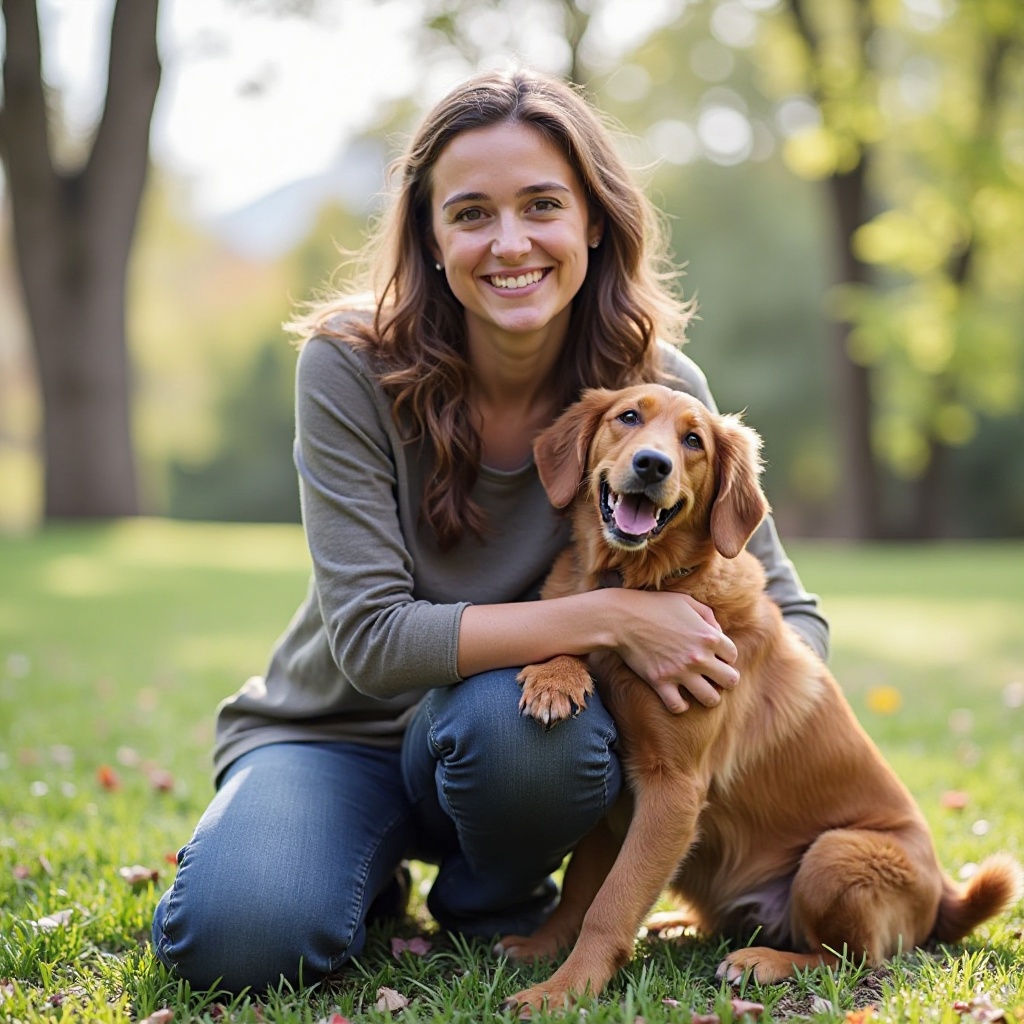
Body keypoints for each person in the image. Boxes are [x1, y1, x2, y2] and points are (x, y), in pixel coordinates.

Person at [151, 67, 828, 994]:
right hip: (336, 735)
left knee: (521, 728)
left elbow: (788, 612)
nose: (510, 243)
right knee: (235, 940)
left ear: (594, 220)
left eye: (542, 204)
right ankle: (348, 864)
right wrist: (615, 619)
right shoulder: (348, 366)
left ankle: (492, 896)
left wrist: (719, 714)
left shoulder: (656, 391)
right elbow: (373, 640)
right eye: (471, 213)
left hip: (514, 741)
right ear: (430, 236)